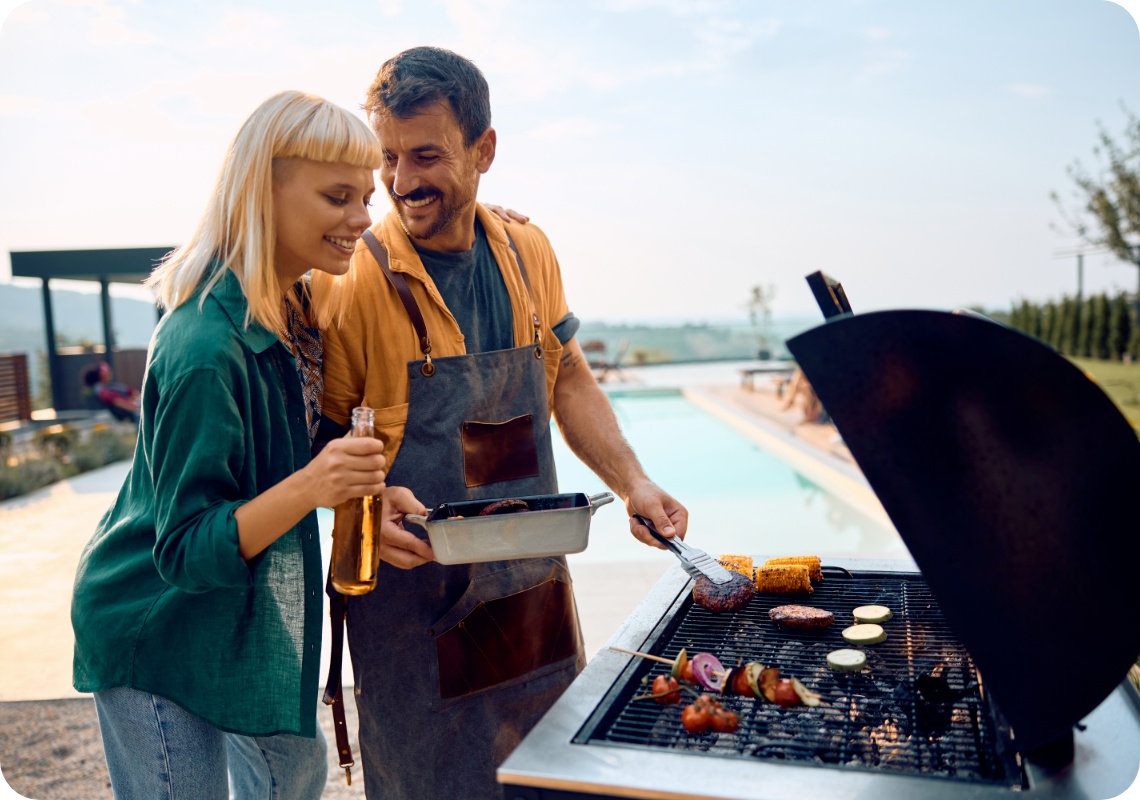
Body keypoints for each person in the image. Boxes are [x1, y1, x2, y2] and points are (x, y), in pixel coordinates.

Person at [310, 46, 689, 800]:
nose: (402, 182)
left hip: (531, 606)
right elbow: (320, 442)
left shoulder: (528, 252)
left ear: (484, 150)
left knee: (552, 786)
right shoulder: (350, 281)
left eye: (426, 155)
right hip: (415, 619)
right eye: (388, 156)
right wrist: (359, 507)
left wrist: (634, 482)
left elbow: (569, 376)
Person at [70, 90, 391, 799]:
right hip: (152, 620)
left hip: (237, 614)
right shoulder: (204, 347)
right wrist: (312, 489)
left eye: (366, 196)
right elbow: (184, 547)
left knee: (295, 776)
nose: (363, 219)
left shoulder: (291, 306)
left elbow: (283, 449)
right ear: (263, 190)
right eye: (339, 196)